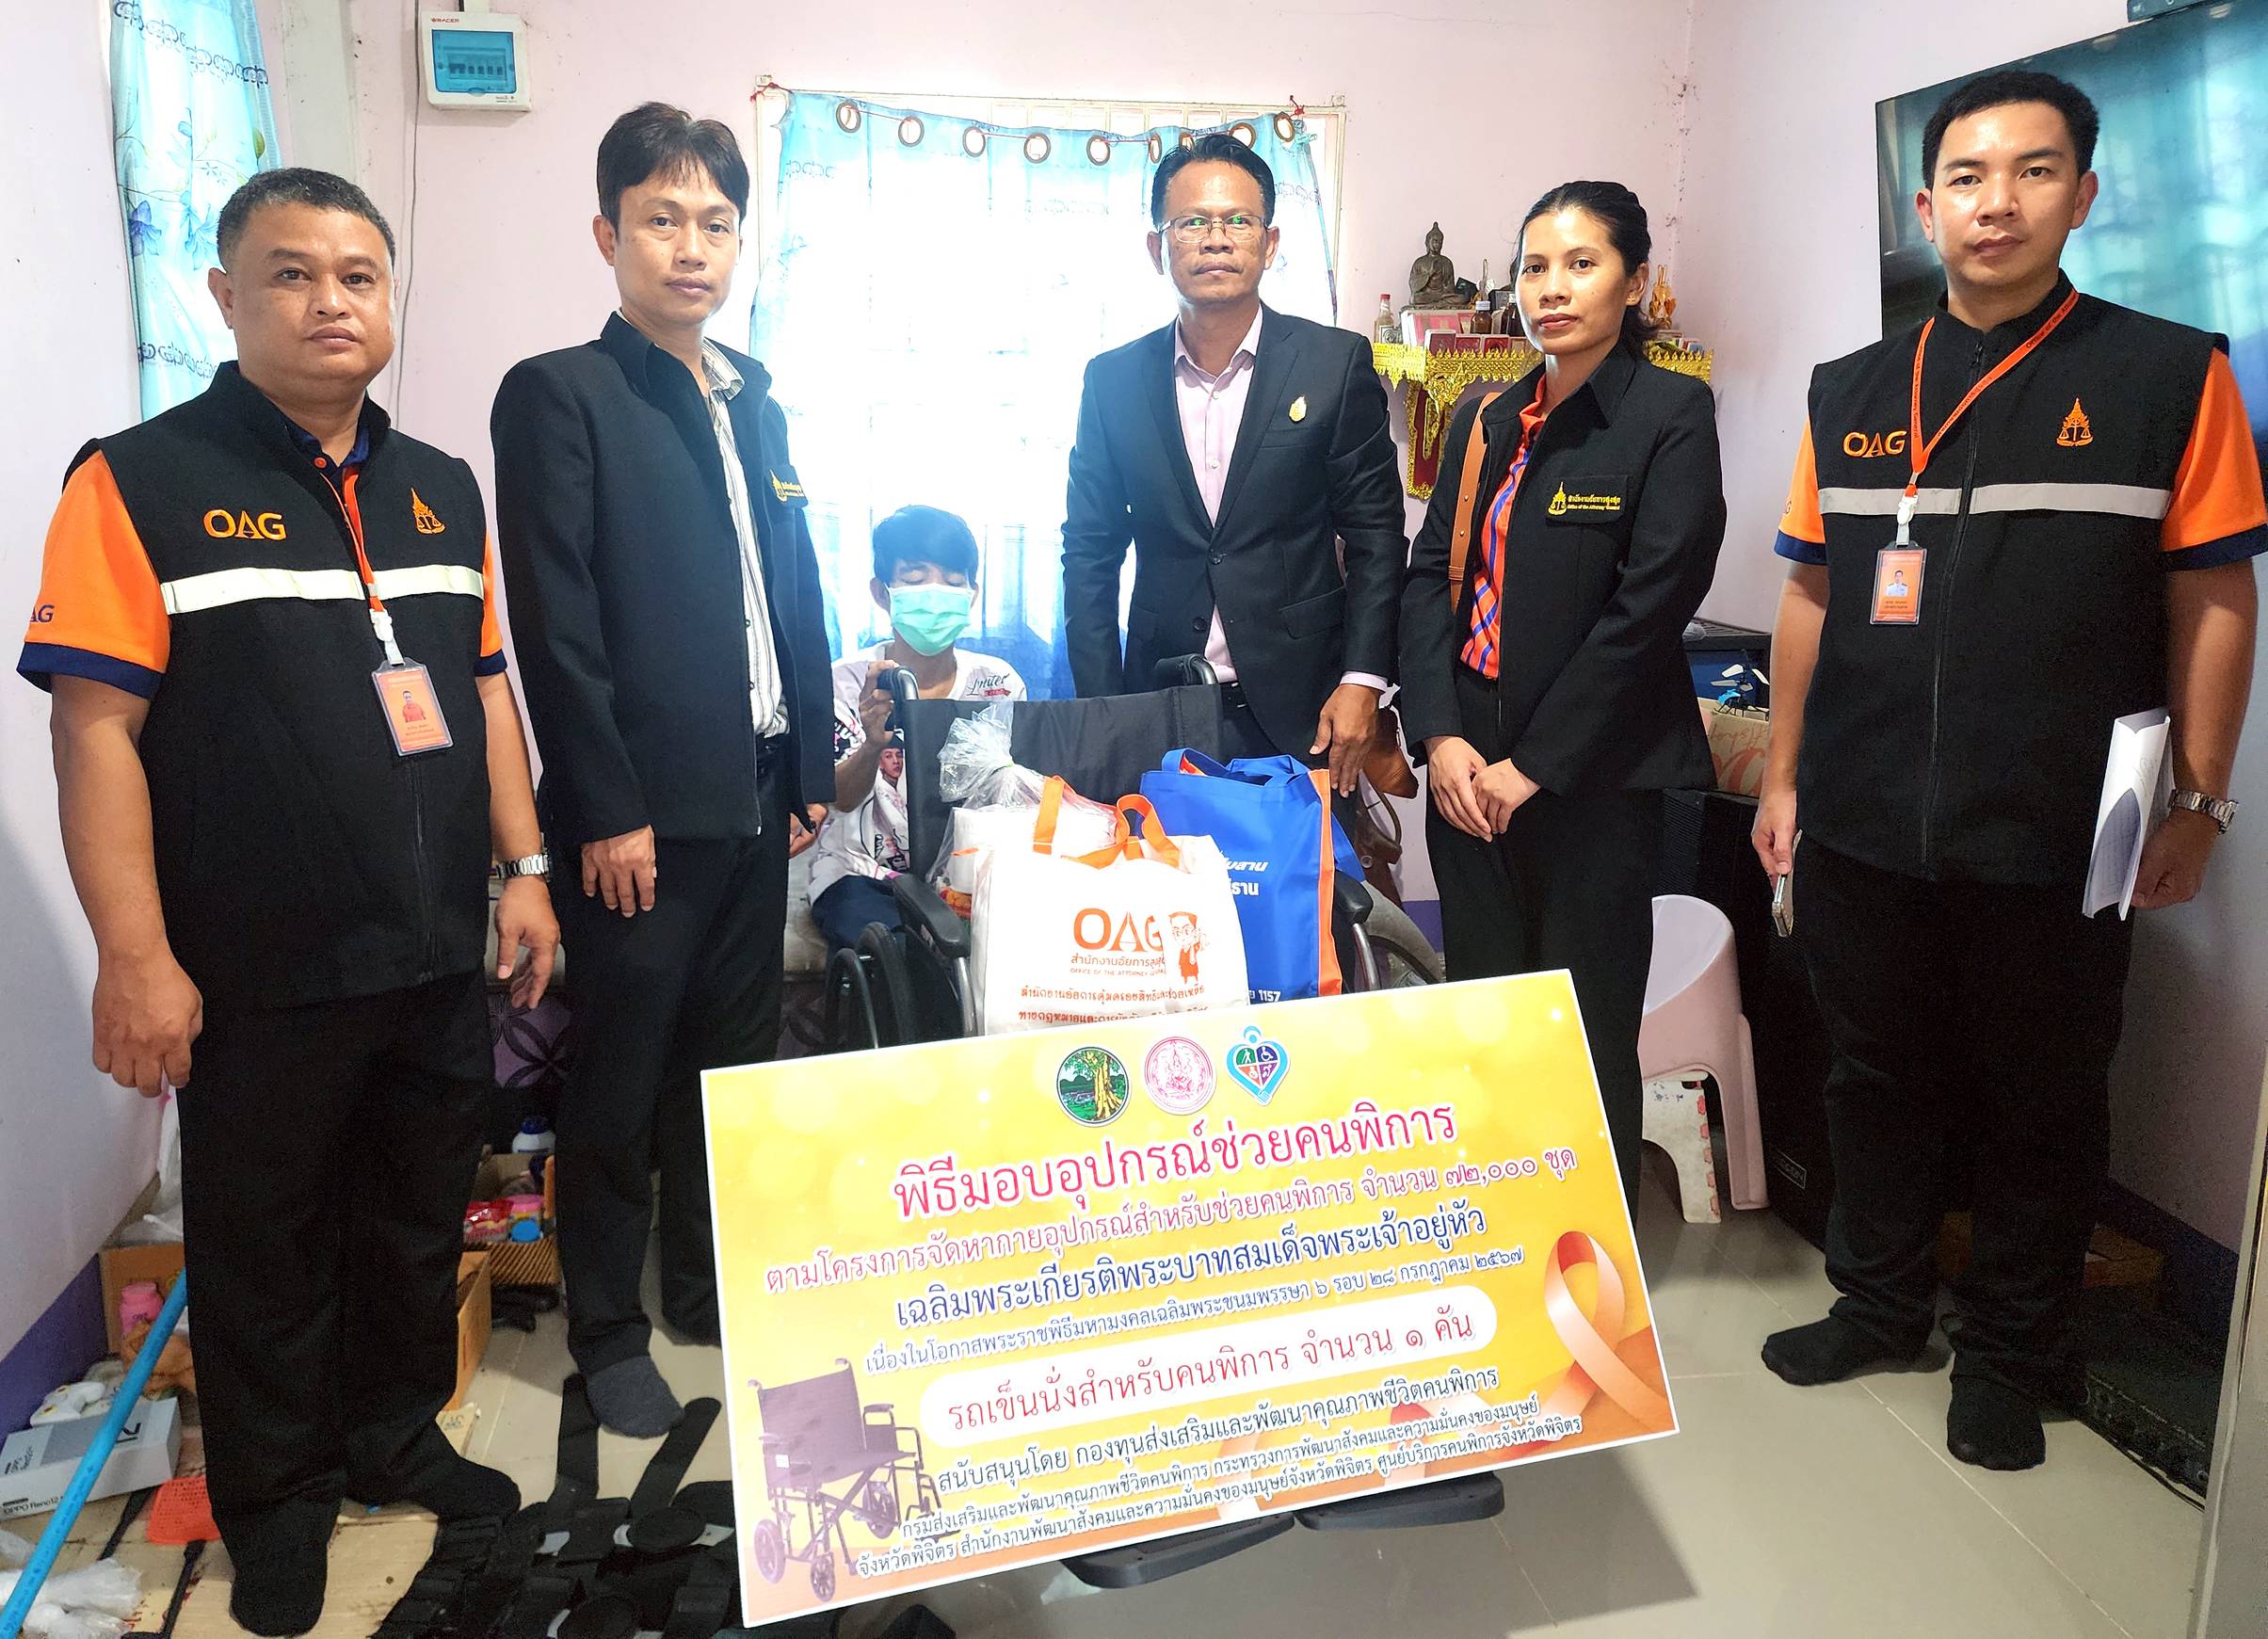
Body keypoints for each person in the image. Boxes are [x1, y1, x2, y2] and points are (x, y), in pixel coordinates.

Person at [18, 169, 556, 1635]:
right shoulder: (135, 481)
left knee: (411, 1222)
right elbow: (93, 730)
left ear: (390, 298)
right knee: (266, 1250)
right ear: (224, 296)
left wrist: (522, 872)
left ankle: (391, 1438)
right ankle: (277, 1503)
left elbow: (484, 689)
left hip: (433, 953)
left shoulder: (440, 484)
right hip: (257, 967)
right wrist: (135, 958)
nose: (331, 302)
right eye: (292, 274)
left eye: (359, 276)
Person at [1755, 70, 2263, 1470]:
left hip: (2064, 821)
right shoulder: (1853, 389)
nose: (1997, 203)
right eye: (1968, 179)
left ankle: (2013, 1353)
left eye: (2033, 172)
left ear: (2081, 196)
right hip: (1862, 811)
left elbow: (2216, 596)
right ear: (1926, 208)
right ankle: (1875, 1304)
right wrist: (1784, 777)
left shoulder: (2170, 375)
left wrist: (2200, 800)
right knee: (1871, 1075)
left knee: (2041, 1095)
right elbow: (1808, 594)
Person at [491, 104, 834, 1437]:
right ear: (608, 234)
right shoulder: (562, 394)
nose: (692, 248)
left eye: (716, 223)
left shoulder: (758, 398)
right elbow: (556, 622)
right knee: (620, 1076)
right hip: (639, 818)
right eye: (661, 219)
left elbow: (789, 588)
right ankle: (607, 1328)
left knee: (726, 1069)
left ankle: (702, 1290)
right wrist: (607, 807)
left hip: (757, 796)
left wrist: (807, 761)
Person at [1397, 180, 1726, 1209]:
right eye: (1534, 266)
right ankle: (1497, 1234)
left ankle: (1585, 1248)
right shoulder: (1485, 417)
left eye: (1581, 264)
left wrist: (1532, 766)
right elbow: (1430, 578)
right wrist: (1440, 737)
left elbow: (1652, 604)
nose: (1553, 288)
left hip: (1595, 780)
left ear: (1633, 281)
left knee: (1583, 1027)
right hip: (1467, 775)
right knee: (1486, 1015)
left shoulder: (1670, 413)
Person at [1061, 133, 1406, 790]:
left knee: (1302, 861)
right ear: (1157, 248)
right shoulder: (1112, 381)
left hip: (1306, 707)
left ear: (1269, 244)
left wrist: (1362, 680)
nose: (1215, 240)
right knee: (1158, 861)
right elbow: (1088, 551)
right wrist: (1101, 709)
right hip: (1157, 701)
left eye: (1238, 221)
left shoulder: (1333, 365)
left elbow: (1376, 537)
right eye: (1192, 222)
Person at [812, 506, 1024, 952]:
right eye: (914, 579)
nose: (935, 593)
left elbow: (1011, 796)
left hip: (968, 875)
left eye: (953, 581)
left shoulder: (999, 683)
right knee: (906, 955)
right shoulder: (844, 682)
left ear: (972, 594)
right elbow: (839, 800)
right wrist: (872, 746)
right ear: (882, 592)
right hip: (862, 876)